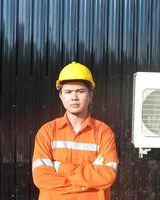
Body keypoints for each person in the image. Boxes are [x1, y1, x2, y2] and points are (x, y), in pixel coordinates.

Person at [32, 61, 119, 200]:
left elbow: (107, 176)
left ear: (90, 95)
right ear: (61, 96)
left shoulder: (103, 132)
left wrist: (60, 167)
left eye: (80, 91)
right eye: (68, 92)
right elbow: (41, 178)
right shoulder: (47, 131)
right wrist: (88, 180)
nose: (74, 97)